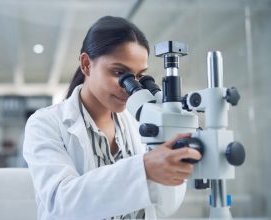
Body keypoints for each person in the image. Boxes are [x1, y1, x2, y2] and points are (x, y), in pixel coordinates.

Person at [23, 16, 201, 220]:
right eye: (119, 73)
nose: (129, 87)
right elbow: (60, 203)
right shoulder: (45, 124)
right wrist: (143, 169)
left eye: (138, 77)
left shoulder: (138, 123)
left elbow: (159, 209)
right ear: (86, 64)